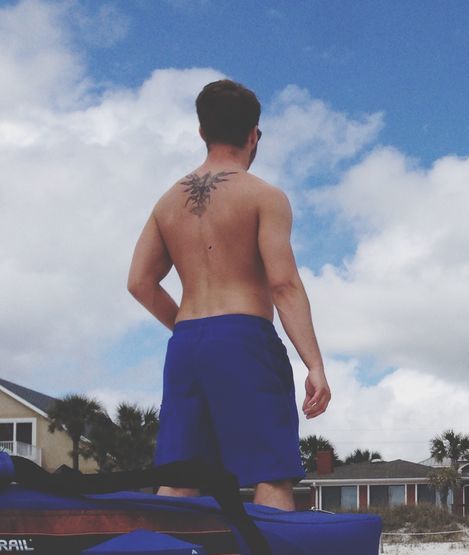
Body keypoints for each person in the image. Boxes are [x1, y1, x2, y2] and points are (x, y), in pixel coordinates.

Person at [126, 78, 330, 510]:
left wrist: (188, 325)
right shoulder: (264, 196)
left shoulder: (166, 203)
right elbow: (283, 284)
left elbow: (140, 282)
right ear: (254, 134)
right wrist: (313, 363)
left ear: (202, 132)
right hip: (244, 337)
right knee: (271, 473)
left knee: (180, 478)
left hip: (185, 343)